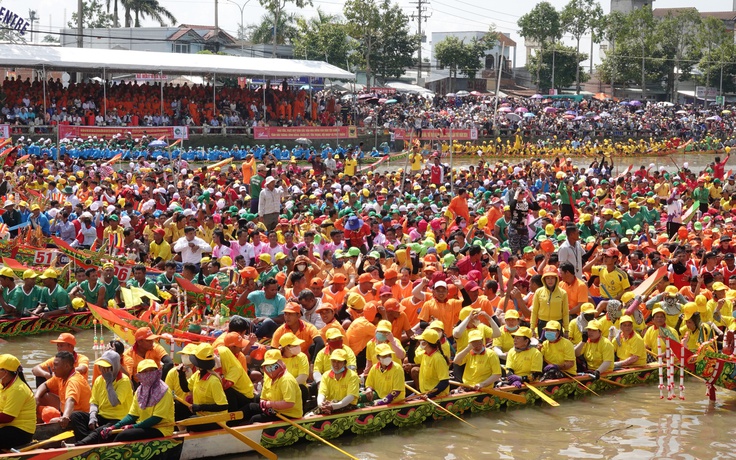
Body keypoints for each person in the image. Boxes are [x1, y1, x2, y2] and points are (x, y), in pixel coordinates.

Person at [100, 359, 175, 443]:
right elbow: (132, 416)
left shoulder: (164, 391)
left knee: (125, 435)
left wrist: (134, 426)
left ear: (157, 372)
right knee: (112, 434)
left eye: (151, 370)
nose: (149, 374)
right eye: (145, 371)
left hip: (161, 428)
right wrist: (114, 427)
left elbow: (156, 418)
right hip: (144, 425)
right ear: (139, 376)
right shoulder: (139, 391)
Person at [69, 351, 134, 446]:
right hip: (102, 416)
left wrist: (109, 383)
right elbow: (94, 402)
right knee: (76, 416)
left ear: (115, 367)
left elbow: (114, 402)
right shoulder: (99, 380)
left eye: (107, 368)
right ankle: (88, 443)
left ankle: (79, 445)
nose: (103, 371)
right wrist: (92, 417)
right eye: (101, 367)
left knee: (100, 431)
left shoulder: (124, 381)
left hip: (118, 419)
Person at [35, 351, 92, 428]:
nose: (53, 368)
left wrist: (65, 416)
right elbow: (45, 385)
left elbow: (71, 400)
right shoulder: (60, 376)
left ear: (66, 366)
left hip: (81, 417)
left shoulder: (73, 381)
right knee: (41, 397)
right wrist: (36, 397)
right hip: (66, 411)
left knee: (52, 422)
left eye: (56, 365)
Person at [243, 350, 302, 423]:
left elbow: (289, 403)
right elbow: (263, 398)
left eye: (274, 367)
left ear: (281, 364)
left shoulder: (286, 380)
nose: (271, 370)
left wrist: (269, 404)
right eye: (268, 367)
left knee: (255, 419)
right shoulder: (268, 379)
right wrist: (264, 405)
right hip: (272, 410)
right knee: (250, 408)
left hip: (287, 414)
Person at [186, 344, 229, 431]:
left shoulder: (213, 381)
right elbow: (186, 388)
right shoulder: (197, 375)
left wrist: (200, 407)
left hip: (216, 420)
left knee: (191, 423)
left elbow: (223, 406)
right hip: (202, 415)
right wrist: (180, 375)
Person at [0, 354, 35, 450]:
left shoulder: (17, 389)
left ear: (5, 372)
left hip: (21, 432)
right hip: (6, 427)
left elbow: (8, 417)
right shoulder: (3, 384)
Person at [316, 349, 360, 415]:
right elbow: (322, 393)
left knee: (334, 402)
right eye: (333, 361)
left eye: (339, 362)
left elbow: (351, 397)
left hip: (347, 406)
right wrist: (321, 405)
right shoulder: (326, 375)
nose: (336, 365)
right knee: (309, 414)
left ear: (345, 363)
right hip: (329, 405)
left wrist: (334, 406)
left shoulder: (352, 376)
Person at [531, 266, 569, 338]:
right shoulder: (539, 292)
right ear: (544, 279)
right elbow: (534, 311)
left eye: (552, 278)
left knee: (557, 345)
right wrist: (532, 327)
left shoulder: (563, 293)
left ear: (556, 278)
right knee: (543, 345)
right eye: (548, 278)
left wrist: (567, 329)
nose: (550, 280)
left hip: (557, 323)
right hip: (542, 323)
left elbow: (565, 312)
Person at [411, 328, 450, 399]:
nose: (419, 342)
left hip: (436, 396)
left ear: (426, 343)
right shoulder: (425, 354)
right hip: (424, 393)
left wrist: (430, 395)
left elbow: (444, 382)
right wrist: (412, 344)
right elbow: (411, 359)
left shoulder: (438, 358)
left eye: (421, 341)